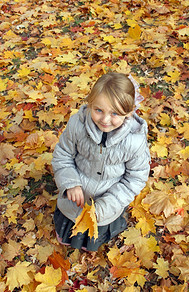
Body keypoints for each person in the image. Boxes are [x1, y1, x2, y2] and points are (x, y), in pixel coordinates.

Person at [52, 72, 151, 251]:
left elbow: (135, 178)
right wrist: (70, 183)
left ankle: (94, 236)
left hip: (106, 200)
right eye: (98, 110)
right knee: (70, 220)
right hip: (76, 198)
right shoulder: (77, 125)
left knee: (96, 227)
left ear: (128, 112)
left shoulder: (134, 141)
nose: (105, 120)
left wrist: (108, 204)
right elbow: (63, 155)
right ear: (90, 104)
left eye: (114, 113)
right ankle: (68, 233)